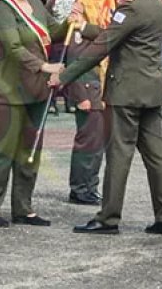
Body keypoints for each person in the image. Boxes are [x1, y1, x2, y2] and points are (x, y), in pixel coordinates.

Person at [52, 0, 162, 237]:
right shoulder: (156, 6)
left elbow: (103, 46)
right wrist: (85, 27)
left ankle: (108, 218)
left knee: (119, 154)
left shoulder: (130, 8)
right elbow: (121, 34)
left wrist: (64, 75)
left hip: (126, 92)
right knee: (157, 155)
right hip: (150, 91)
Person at [0, 0, 68, 228]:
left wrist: (74, 19)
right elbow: (14, 48)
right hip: (6, 91)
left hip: (34, 91)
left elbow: (55, 31)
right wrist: (44, 67)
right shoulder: (3, 8)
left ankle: (23, 207)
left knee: (30, 151)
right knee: (2, 150)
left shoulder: (36, 3)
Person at [63, 28, 105, 206]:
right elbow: (74, 60)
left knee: (98, 144)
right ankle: (80, 188)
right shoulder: (81, 26)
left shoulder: (95, 22)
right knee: (88, 142)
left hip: (100, 90)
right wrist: (80, 95)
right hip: (88, 91)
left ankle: (90, 187)